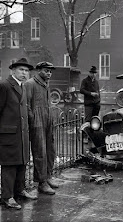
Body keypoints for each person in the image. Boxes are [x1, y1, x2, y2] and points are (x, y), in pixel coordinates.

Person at [0, 58, 38, 210]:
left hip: (21, 134)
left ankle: (19, 191)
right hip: (8, 135)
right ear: (13, 70)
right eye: (21, 70)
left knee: (22, 163)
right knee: (9, 166)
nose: (25, 73)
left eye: (27, 70)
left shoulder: (22, 87)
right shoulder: (4, 86)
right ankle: (7, 197)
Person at [25, 61, 59, 195]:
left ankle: (48, 176)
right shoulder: (30, 84)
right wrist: (32, 120)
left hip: (47, 119)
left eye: (50, 71)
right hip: (37, 121)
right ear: (38, 70)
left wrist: (51, 117)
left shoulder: (46, 84)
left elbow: (47, 103)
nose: (49, 73)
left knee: (51, 150)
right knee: (40, 152)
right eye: (46, 70)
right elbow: (27, 105)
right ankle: (41, 182)